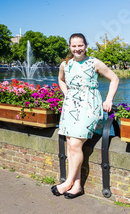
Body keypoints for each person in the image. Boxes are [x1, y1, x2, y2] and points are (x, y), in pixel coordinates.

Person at [51, 33, 119, 199]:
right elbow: (60, 80)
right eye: (74, 46)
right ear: (70, 47)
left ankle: (67, 182)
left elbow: (114, 78)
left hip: (89, 106)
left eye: (80, 45)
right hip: (71, 107)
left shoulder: (93, 62)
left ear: (85, 45)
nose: (77, 49)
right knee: (71, 145)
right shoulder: (65, 64)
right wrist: (67, 94)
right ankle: (77, 186)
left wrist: (109, 99)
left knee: (75, 144)